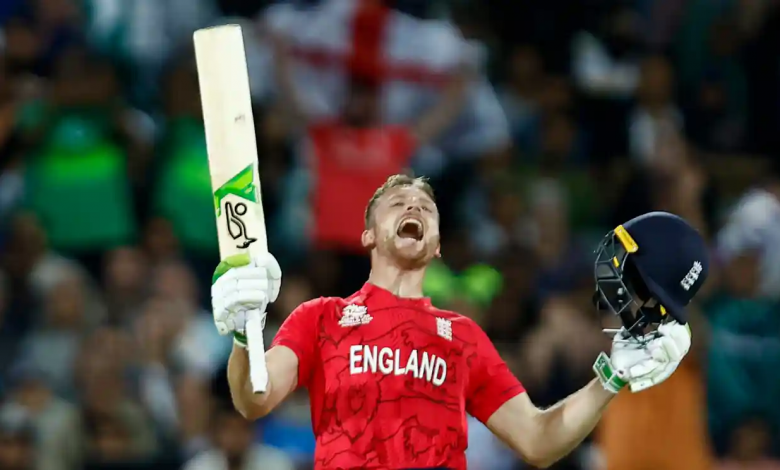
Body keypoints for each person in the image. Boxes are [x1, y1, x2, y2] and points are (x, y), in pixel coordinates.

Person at [211, 174, 708, 469]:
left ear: (438, 245)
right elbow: (253, 398)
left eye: (425, 206)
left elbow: (538, 440)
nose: (413, 206)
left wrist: (610, 377)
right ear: (367, 236)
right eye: (398, 203)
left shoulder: (464, 337)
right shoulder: (321, 318)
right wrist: (242, 335)